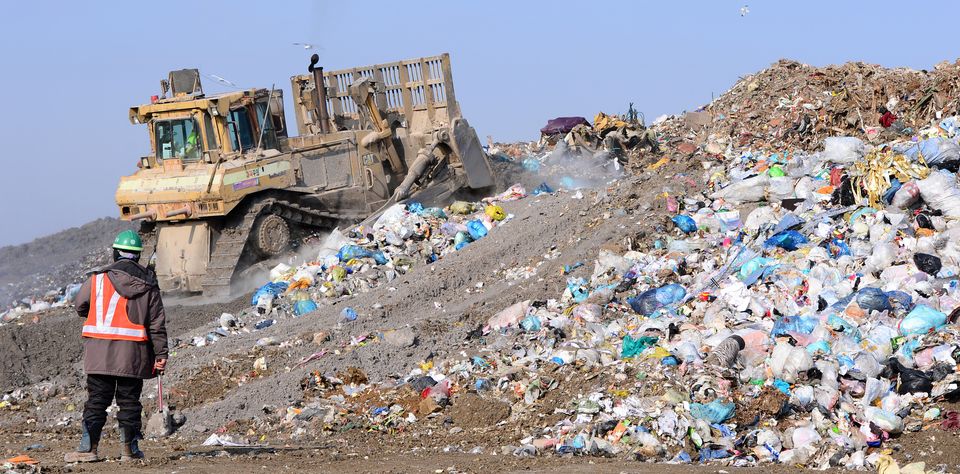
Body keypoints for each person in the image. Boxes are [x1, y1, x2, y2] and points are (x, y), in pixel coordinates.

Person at [64, 230, 168, 463]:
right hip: (133, 357)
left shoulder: (97, 279)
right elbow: (157, 325)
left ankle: (88, 450)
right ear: (138, 256)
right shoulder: (149, 285)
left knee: (96, 402)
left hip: (99, 356)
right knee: (129, 403)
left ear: (115, 253)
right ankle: (128, 452)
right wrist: (161, 354)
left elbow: (80, 306)